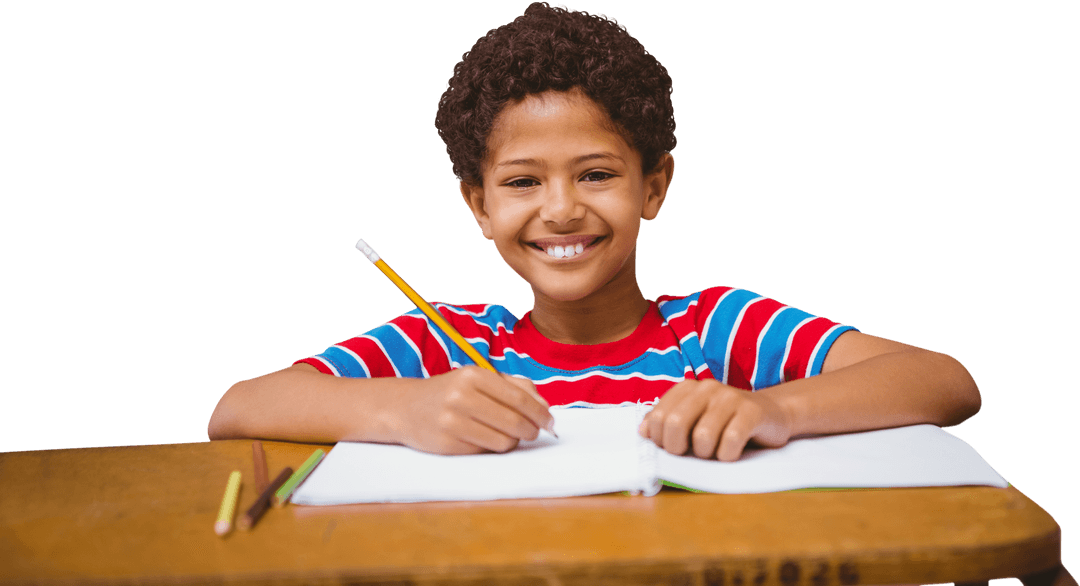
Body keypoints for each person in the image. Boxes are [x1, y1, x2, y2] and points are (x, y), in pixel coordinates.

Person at [207, 2, 981, 462]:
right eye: (520, 183)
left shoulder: (719, 329)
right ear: (478, 205)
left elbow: (945, 381)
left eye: (597, 174)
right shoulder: (444, 344)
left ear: (655, 186)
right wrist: (403, 411)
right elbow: (239, 409)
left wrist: (775, 411)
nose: (562, 209)